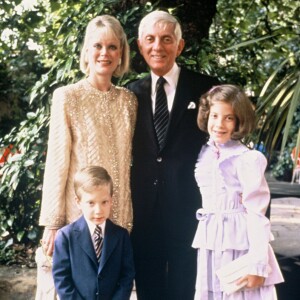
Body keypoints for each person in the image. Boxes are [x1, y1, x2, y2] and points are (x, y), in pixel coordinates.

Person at [36, 15, 137, 299]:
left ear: (121, 54)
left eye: (112, 47)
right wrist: (53, 222)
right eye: (97, 46)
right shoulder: (67, 96)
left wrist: (127, 216)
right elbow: (57, 161)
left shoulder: (129, 101)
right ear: (86, 51)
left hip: (117, 214)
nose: (105, 53)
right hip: (77, 213)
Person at [127, 10, 219, 300]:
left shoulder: (206, 89)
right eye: (151, 40)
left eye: (167, 39)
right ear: (141, 46)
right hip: (144, 209)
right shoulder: (129, 94)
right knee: (148, 286)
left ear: (180, 46)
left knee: (186, 284)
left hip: (189, 206)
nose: (158, 47)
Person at [192, 84, 284, 299]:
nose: (219, 124)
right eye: (214, 116)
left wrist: (258, 264)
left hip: (238, 242)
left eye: (229, 118)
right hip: (210, 239)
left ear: (239, 121)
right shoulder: (205, 153)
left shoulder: (247, 159)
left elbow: (256, 213)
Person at [52, 166, 135, 300]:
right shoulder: (66, 237)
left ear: (111, 200)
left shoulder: (121, 236)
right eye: (91, 203)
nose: (98, 210)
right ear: (78, 202)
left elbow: (127, 276)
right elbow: (62, 280)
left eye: (104, 202)